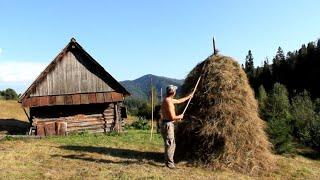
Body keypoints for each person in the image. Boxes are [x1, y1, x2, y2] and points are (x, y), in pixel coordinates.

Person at [160, 85, 193, 169]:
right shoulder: (169, 102)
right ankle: (170, 164)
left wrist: (188, 97)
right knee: (170, 144)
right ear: (173, 92)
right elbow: (172, 117)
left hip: (166, 123)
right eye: (175, 90)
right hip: (168, 125)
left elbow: (178, 101)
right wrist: (180, 116)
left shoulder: (168, 99)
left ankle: (167, 162)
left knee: (169, 144)